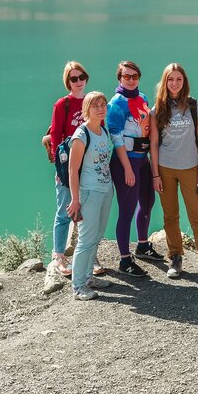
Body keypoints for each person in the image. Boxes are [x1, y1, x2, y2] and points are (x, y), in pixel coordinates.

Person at [149, 63, 198, 283]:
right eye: (171, 79)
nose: (174, 83)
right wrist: (155, 175)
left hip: (190, 168)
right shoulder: (157, 109)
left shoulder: (195, 105)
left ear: (184, 82)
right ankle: (176, 257)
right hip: (165, 169)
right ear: (165, 82)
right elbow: (153, 144)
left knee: (197, 216)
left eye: (178, 79)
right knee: (170, 216)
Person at [106, 61, 157, 277]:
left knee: (147, 201)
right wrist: (127, 168)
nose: (131, 80)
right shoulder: (116, 103)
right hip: (125, 162)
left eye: (134, 76)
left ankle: (143, 245)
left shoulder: (142, 98)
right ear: (119, 78)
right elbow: (116, 138)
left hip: (142, 159)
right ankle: (124, 259)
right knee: (127, 209)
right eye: (126, 76)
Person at [67, 92, 117, 300]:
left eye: (103, 104)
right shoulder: (81, 135)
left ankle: (88, 278)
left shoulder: (103, 131)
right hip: (89, 192)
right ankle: (78, 286)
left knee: (96, 237)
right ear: (87, 109)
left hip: (106, 190)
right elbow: (73, 170)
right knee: (86, 240)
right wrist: (75, 199)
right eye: (95, 105)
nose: (100, 108)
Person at [44, 61, 88, 278]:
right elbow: (55, 137)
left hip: (88, 165)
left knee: (87, 211)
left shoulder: (91, 102)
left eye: (81, 77)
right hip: (67, 165)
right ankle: (59, 255)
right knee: (64, 210)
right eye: (73, 79)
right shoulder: (63, 105)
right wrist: (61, 167)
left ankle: (87, 253)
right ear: (67, 82)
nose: (78, 82)